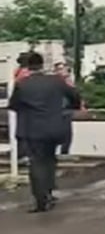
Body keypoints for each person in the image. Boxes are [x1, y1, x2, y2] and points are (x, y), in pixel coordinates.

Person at [8, 52, 81, 213]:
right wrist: (67, 108)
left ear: (27, 66)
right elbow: (75, 96)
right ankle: (49, 192)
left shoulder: (23, 84)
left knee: (37, 163)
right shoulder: (56, 81)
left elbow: (13, 105)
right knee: (50, 160)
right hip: (55, 127)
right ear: (42, 65)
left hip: (33, 130)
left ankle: (41, 200)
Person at [53, 62, 82, 155]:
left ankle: (64, 152)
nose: (61, 72)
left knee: (66, 134)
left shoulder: (69, 83)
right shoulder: (54, 83)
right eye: (59, 69)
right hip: (55, 111)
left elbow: (75, 97)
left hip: (65, 110)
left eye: (63, 69)